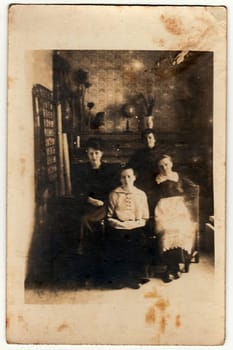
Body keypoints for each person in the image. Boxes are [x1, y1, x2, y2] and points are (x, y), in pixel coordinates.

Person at [154, 154, 197, 283]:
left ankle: (174, 267)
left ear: (171, 164)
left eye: (166, 164)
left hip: (178, 209)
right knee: (166, 230)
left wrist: (183, 199)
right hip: (163, 210)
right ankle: (171, 268)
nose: (164, 168)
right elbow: (151, 195)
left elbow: (193, 189)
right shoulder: (156, 179)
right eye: (161, 166)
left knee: (179, 229)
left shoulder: (179, 177)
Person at [106, 166, 150, 289]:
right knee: (119, 245)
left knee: (137, 243)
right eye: (123, 177)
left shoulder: (141, 194)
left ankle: (134, 278)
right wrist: (120, 224)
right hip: (119, 227)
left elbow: (145, 217)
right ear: (120, 179)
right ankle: (120, 278)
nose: (126, 179)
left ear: (134, 178)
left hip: (136, 226)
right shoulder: (114, 194)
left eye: (129, 176)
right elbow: (109, 216)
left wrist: (135, 223)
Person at [128, 128, 161, 215]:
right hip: (142, 184)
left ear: (154, 139)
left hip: (157, 184)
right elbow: (130, 168)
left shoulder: (161, 153)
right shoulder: (138, 154)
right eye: (145, 138)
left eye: (150, 137)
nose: (148, 140)